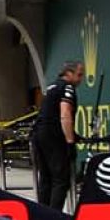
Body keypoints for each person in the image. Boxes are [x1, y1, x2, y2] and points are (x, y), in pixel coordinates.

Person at [31, 60, 82, 210]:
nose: (81, 79)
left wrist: (74, 134)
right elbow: (65, 113)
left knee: (45, 178)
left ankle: (42, 217)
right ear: (69, 73)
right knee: (60, 180)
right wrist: (70, 142)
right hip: (53, 137)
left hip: (39, 134)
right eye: (79, 75)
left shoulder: (52, 87)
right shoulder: (67, 88)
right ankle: (55, 217)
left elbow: (49, 112)